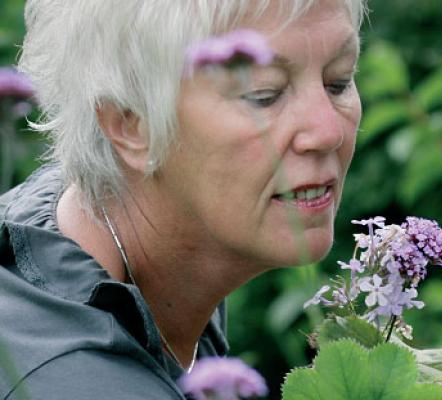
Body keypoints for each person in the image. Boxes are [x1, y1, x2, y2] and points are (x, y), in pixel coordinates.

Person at [0, 0, 366, 398]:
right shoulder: (72, 382)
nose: (329, 131)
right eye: (264, 95)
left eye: (338, 82)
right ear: (130, 124)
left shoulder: (63, 220)